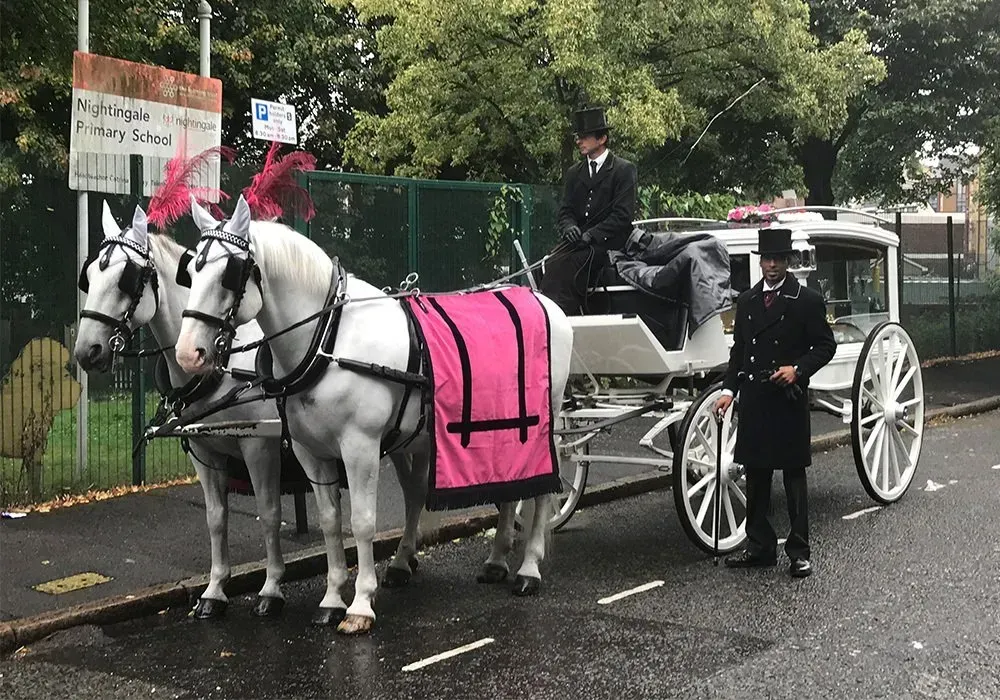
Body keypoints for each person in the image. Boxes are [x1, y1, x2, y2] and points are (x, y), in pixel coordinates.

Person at [713, 228, 836, 578]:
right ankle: (760, 546)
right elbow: (739, 352)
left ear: (788, 261)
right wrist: (728, 391)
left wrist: (797, 369)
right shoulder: (749, 300)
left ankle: (799, 552)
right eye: (767, 259)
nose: (772, 266)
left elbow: (826, 346)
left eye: (779, 260)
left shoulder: (807, 300)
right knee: (756, 474)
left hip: (787, 396)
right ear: (760, 261)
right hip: (754, 396)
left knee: (793, 475)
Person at [539, 106, 638, 315]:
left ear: (601, 139)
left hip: (608, 242)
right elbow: (566, 210)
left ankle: (565, 315)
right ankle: (550, 315)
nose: (578, 141)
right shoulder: (575, 173)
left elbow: (622, 215)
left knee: (571, 265)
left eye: (584, 137)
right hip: (579, 242)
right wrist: (570, 228)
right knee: (550, 262)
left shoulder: (623, 170)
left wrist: (591, 235)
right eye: (578, 137)